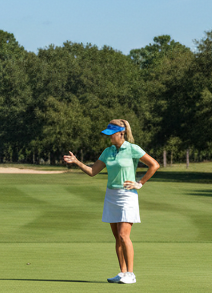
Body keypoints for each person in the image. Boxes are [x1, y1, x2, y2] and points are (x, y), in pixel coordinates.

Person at [63, 119, 159, 284]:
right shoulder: (107, 151)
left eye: (111, 134)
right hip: (111, 195)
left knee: (124, 235)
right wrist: (77, 162)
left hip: (127, 195)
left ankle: (131, 273)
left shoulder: (132, 149)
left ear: (121, 133)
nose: (109, 138)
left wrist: (140, 183)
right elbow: (93, 171)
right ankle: (122, 272)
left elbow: (154, 165)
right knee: (117, 237)